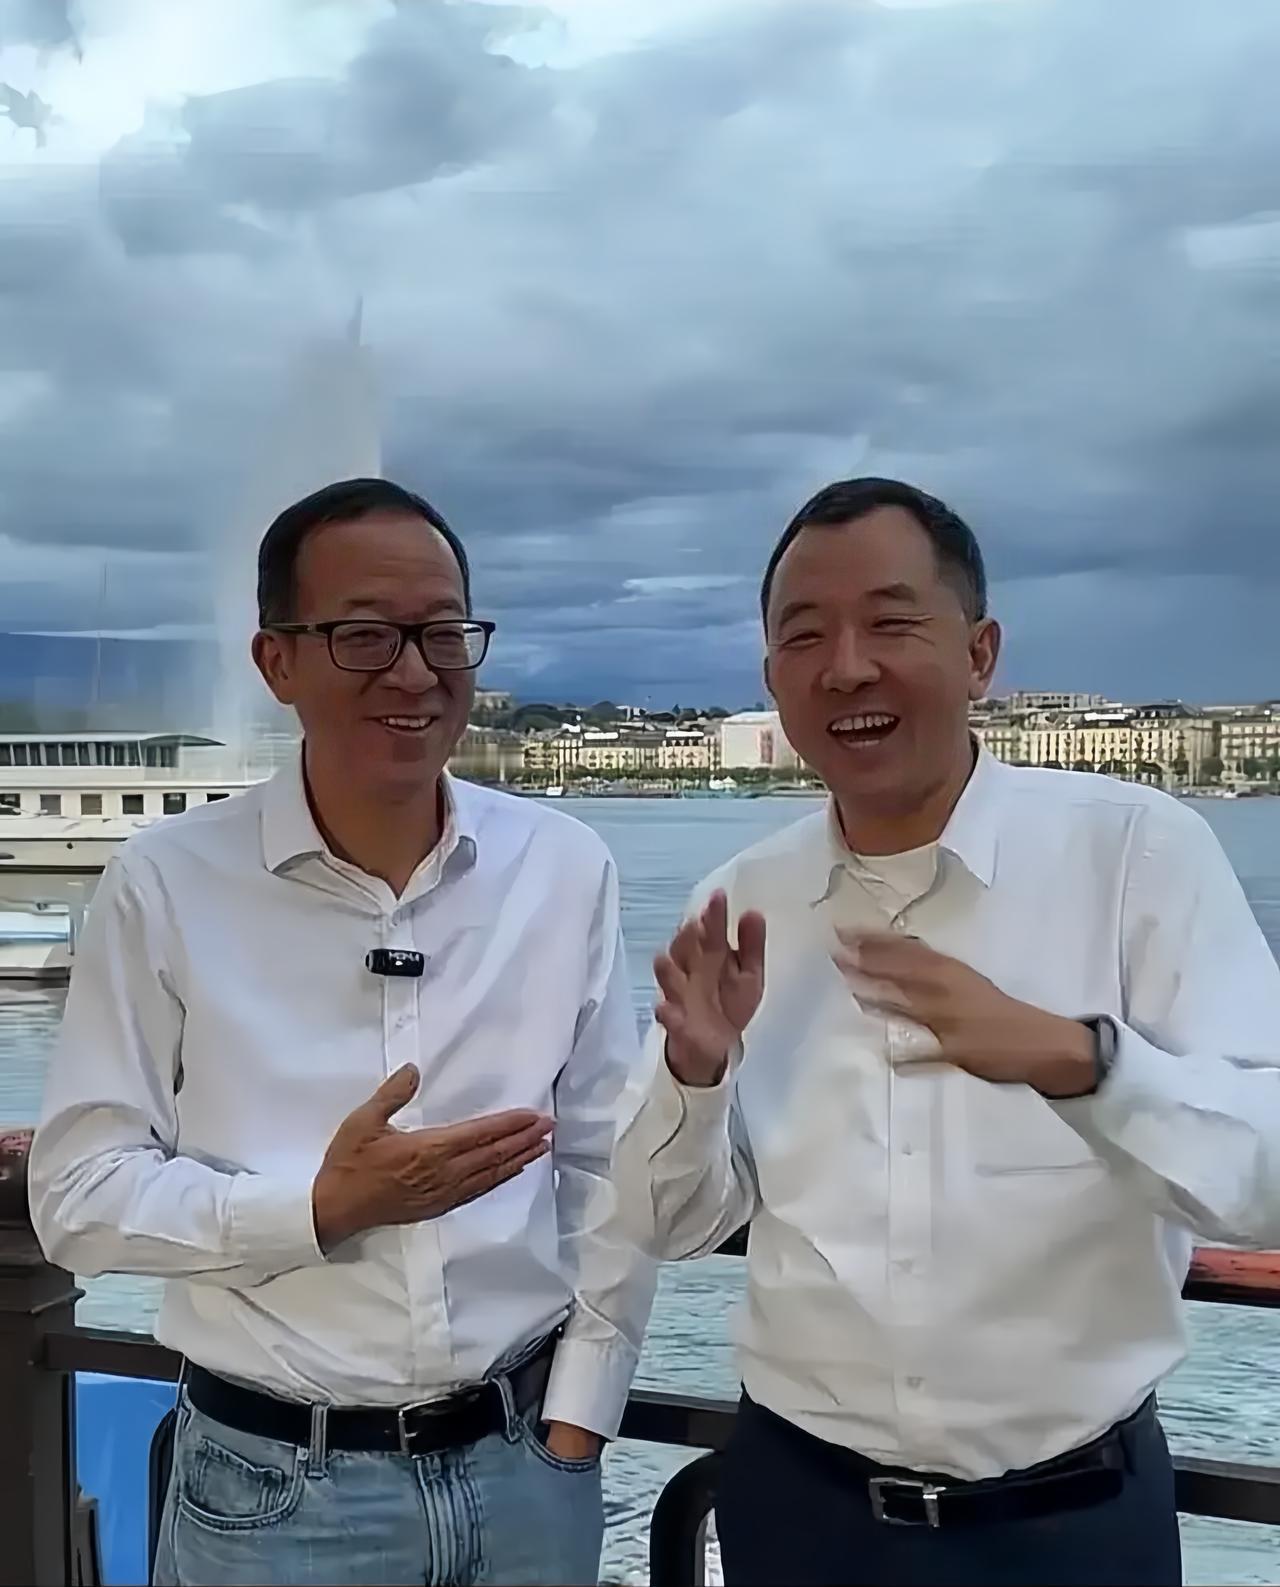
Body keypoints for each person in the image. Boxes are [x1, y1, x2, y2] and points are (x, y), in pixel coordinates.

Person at [611, 476, 1280, 1587]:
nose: (845, 667)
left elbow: (1267, 1180)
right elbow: (666, 1223)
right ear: (771, 677)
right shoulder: (741, 902)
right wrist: (694, 1070)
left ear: (979, 654)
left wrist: (1078, 1062)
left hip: (1072, 1523)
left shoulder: (1135, 855)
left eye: (889, 623)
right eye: (803, 636)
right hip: (799, 1510)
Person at [30, 477, 656, 1587]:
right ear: (276, 661)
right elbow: (77, 1195)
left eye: (442, 633)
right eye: (364, 636)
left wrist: (581, 1415)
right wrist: (322, 1208)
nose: (413, 672)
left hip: (525, 1472)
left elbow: (609, 1166)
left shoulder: (563, 868)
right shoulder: (164, 884)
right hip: (272, 1492)